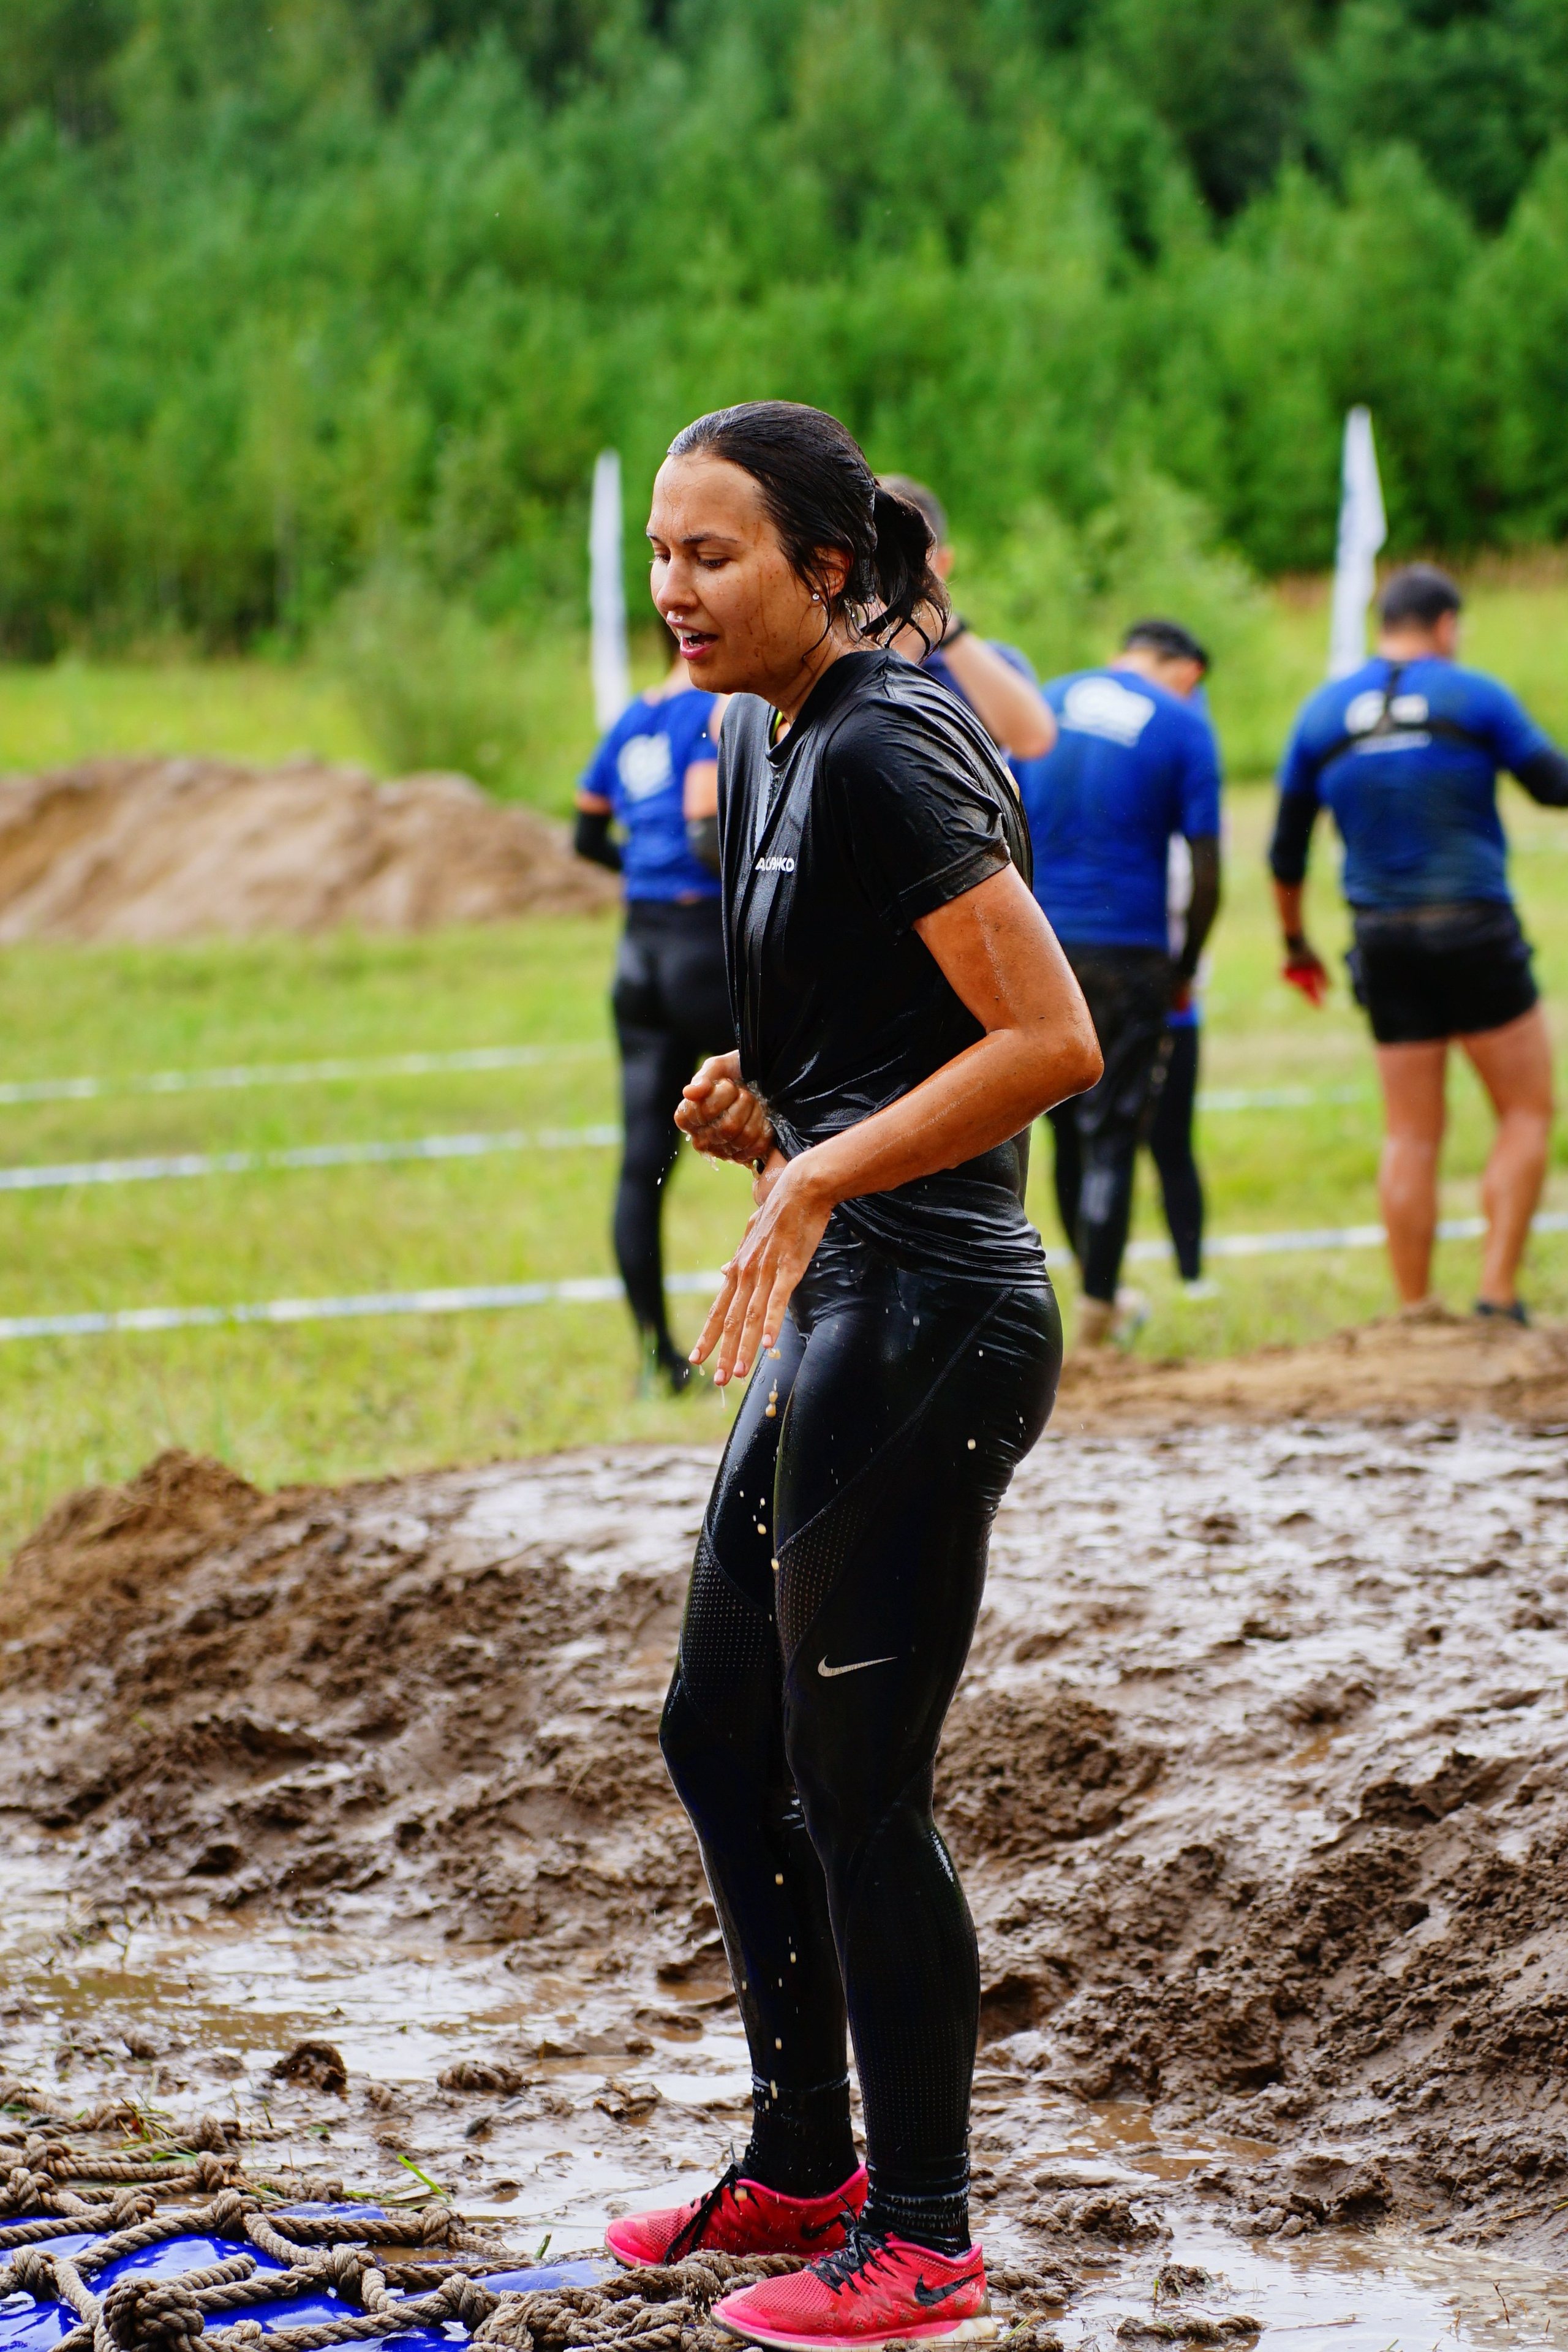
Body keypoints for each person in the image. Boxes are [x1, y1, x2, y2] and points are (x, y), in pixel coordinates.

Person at [602, 401, 1101, 2350]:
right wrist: (777, 1111)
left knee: (857, 1786)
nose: (673, 586)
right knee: (715, 1728)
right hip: (841, 1294)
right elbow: (889, 1037)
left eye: (711, 553)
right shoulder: (763, 730)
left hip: (934, 1313)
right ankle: (802, 2159)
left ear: (824, 568)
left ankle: (927, 2239)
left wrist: (817, 1169)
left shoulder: (891, 738)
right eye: (661, 550)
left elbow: (1048, 1038)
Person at [1270, 563, 1568, 1324]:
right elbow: (1553, 785)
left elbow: (1285, 851)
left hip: (1381, 938)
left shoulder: (1322, 710)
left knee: (1410, 1133)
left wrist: (1296, 942)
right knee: (1526, 1110)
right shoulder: (1474, 694)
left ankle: (1414, 1312)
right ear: (1445, 625)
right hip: (1474, 927)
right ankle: (1496, 1296)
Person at [1016, 619, 1223, 1346]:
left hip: (1038, 941)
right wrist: (1184, 968)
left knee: (1064, 1129)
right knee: (1112, 1132)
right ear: (1187, 671)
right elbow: (1206, 872)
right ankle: (1100, 1310)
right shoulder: (1182, 724)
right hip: (1129, 949)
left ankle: (1086, 1289)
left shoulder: (1041, 702)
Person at [575, 627, 732, 1392]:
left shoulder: (631, 720)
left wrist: (640, 863)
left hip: (638, 952)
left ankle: (654, 1360)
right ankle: (814, 1348)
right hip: (705, 945)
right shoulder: (715, 707)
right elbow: (710, 842)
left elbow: (585, 831)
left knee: (642, 1166)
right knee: (803, 1137)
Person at [876, 475, 1056, 763]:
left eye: (912, 554)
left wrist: (946, 628)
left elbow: (1034, 740)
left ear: (943, 563)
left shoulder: (989, 663)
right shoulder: (833, 647)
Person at [1150, 834, 1210, 1290]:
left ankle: (1191, 1274)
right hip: (1162, 991)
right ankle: (1102, 1290)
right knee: (1105, 1147)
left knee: (1170, 1143)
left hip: (1172, 1000)